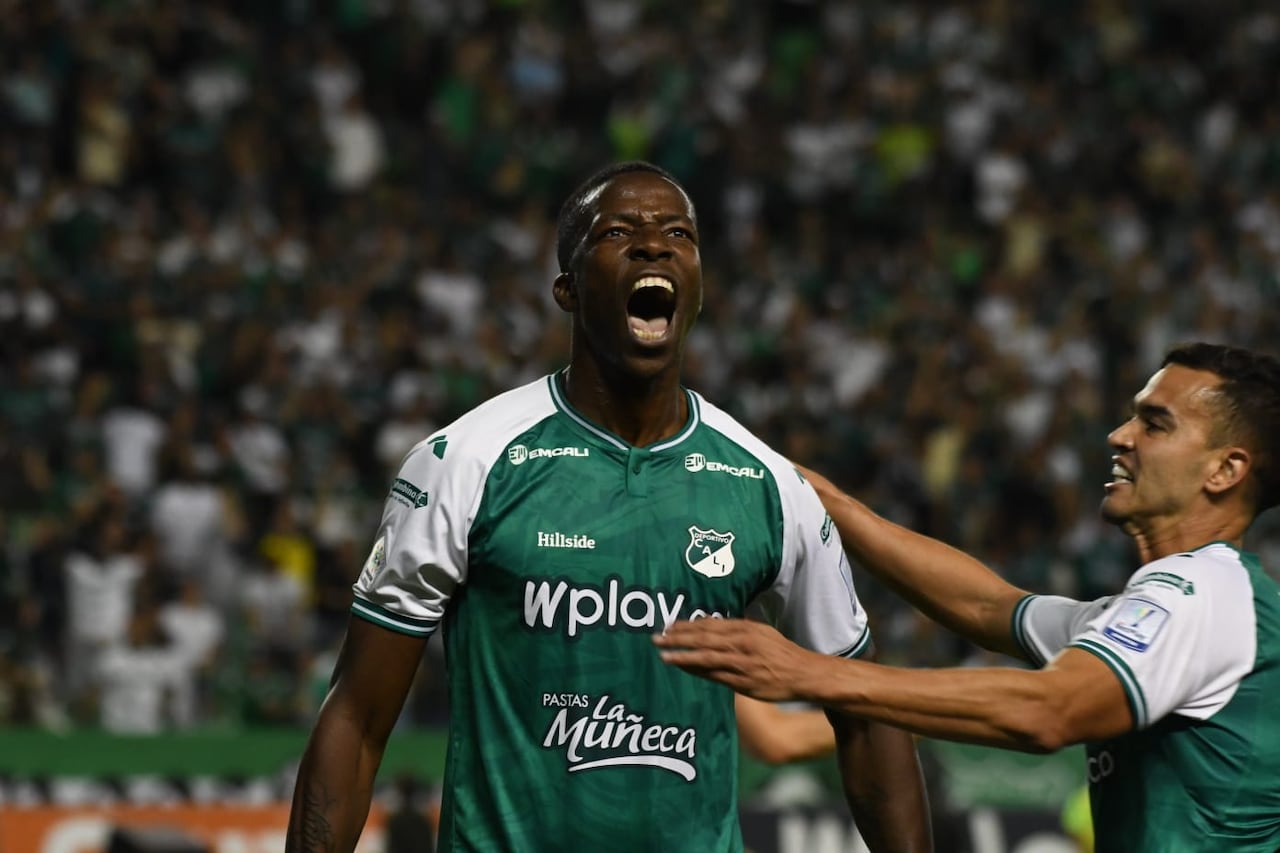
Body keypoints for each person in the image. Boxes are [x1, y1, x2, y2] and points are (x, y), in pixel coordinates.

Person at [286, 161, 931, 852]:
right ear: (567, 287)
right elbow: (356, 719)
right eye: (618, 230)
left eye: (677, 232)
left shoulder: (769, 485)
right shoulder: (463, 463)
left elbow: (867, 710)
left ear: (700, 287)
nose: (654, 244)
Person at [656, 342, 1280, 850]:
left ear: (1225, 470)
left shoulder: (1205, 593)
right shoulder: (1164, 609)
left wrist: (810, 673)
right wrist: (795, 486)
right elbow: (988, 606)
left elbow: (1048, 711)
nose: (1120, 435)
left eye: (1154, 423)